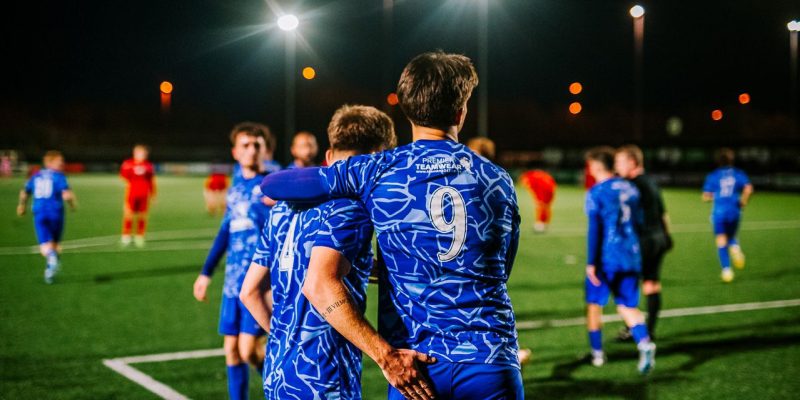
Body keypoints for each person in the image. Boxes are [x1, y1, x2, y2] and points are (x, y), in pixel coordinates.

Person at [261, 51, 523, 400]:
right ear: (461, 111)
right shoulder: (497, 179)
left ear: (405, 109)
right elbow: (501, 269)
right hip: (490, 359)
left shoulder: (378, 169)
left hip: (415, 365)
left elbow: (274, 185)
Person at [240, 104, 405, 399]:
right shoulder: (352, 209)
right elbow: (320, 284)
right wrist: (386, 356)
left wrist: (286, 338)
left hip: (279, 373)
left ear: (328, 157)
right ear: (379, 159)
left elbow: (250, 292)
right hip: (324, 379)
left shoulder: (282, 209)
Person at [192, 124, 271, 400]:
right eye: (246, 145)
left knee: (249, 350)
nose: (251, 150)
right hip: (232, 283)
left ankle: (283, 387)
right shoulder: (235, 189)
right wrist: (205, 274)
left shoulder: (272, 186)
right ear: (235, 151)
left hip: (260, 282)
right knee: (232, 351)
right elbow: (225, 232)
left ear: (265, 150)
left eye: (256, 145)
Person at [584, 146, 656, 374]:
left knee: (595, 305)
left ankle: (597, 354)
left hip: (607, 257)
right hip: (631, 254)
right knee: (627, 305)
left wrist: (591, 262)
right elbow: (640, 223)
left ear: (596, 166)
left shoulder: (596, 192)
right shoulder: (631, 189)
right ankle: (644, 342)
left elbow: (595, 229)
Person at [614, 145, 672, 341]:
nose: (616, 166)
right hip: (658, 239)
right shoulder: (651, 182)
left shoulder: (631, 186)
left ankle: (636, 329)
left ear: (632, 162)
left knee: (625, 286)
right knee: (651, 284)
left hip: (643, 241)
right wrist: (667, 236)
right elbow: (663, 213)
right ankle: (650, 329)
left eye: (619, 161)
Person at [17, 151, 77, 284]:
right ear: (49, 162)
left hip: (40, 213)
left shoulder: (36, 175)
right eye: (59, 161)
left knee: (45, 246)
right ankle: (51, 265)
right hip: (56, 213)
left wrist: (22, 206)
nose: (62, 163)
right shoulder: (59, 176)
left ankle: (51, 264)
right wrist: (72, 205)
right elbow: (66, 194)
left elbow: (25, 191)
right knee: (54, 245)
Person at [702, 148, 753, 283]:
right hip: (734, 211)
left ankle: (726, 270)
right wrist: (743, 201)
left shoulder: (713, 176)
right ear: (731, 160)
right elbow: (748, 188)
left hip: (719, 212)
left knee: (721, 240)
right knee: (731, 236)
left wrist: (714, 196)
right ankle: (735, 248)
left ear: (718, 161)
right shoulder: (738, 173)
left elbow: (705, 196)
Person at [119, 144, 156, 247]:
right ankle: (126, 235)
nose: (142, 154)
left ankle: (140, 235)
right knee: (129, 213)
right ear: (135, 153)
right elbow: (123, 176)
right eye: (139, 152)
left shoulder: (148, 166)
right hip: (132, 193)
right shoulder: (128, 164)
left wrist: (153, 194)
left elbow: (151, 181)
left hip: (144, 195)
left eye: (144, 153)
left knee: (142, 215)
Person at [519, 166, 557, 233]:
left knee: (541, 206)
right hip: (551, 188)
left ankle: (540, 224)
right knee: (546, 207)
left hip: (545, 190)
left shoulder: (528, 177)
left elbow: (534, 189)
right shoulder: (535, 174)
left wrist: (538, 199)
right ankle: (545, 223)